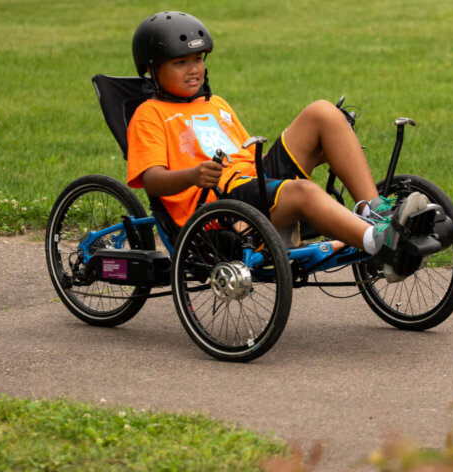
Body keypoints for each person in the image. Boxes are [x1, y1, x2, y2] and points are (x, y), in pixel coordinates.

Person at [126, 11, 428, 282]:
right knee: (305, 191)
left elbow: (245, 156)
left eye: (198, 59)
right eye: (180, 62)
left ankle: (374, 213)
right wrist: (193, 175)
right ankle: (379, 244)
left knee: (323, 112)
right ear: (152, 70)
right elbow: (152, 181)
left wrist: (325, 150)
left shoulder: (216, 104)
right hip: (217, 206)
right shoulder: (149, 115)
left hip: (250, 184)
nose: (193, 69)